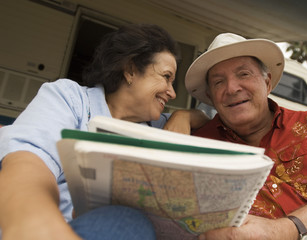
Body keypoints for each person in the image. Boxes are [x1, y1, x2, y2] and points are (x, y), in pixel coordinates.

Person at [0, 24, 209, 240]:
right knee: (124, 219)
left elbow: (207, 118)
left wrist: (182, 116)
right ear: (131, 70)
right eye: (166, 77)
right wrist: (36, 228)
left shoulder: (159, 127)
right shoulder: (71, 100)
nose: (173, 93)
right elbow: (27, 164)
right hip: (53, 228)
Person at [185, 33, 307, 240]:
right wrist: (182, 117)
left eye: (243, 74)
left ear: (267, 82)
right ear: (210, 98)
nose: (232, 88)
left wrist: (283, 232)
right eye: (218, 82)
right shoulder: (200, 145)